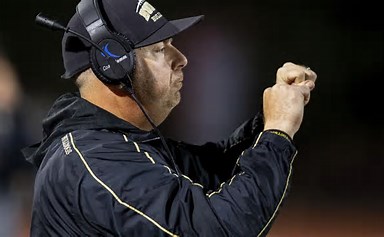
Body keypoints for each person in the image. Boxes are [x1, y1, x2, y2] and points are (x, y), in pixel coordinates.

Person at [23, 0, 317, 236]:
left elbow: (215, 171)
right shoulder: (95, 160)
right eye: (159, 49)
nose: (181, 58)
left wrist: (271, 120)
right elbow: (220, 228)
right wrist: (277, 131)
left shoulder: (109, 142)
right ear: (114, 67)